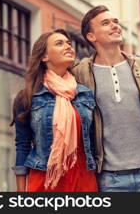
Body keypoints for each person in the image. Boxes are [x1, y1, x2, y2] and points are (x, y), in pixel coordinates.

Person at [72, 5, 140, 192]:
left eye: (116, 22)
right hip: (109, 177)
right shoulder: (80, 73)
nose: (115, 26)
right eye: (106, 23)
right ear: (91, 36)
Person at [12, 29, 97, 192]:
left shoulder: (84, 93)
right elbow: (22, 145)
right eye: (59, 44)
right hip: (46, 180)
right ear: (44, 57)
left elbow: (94, 142)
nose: (68, 47)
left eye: (68, 44)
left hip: (83, 179)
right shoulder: (27, 97)